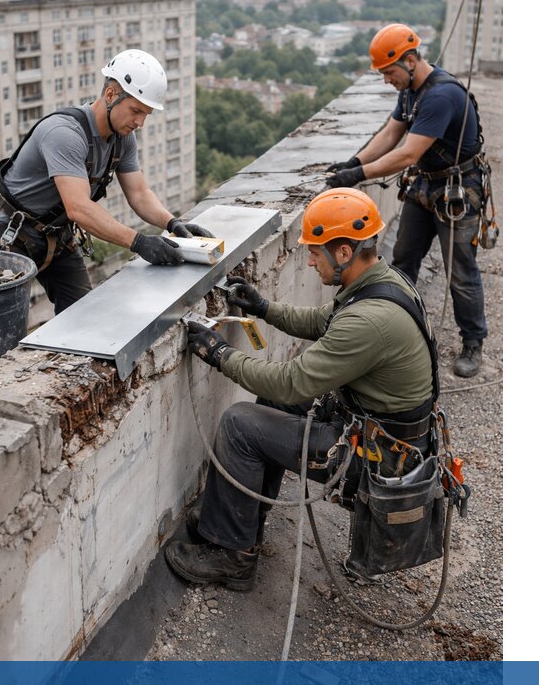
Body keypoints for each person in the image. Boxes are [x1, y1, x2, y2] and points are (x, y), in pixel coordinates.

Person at [165, 188, 437, 591]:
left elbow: (292, 382)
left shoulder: (370, 320)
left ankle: (233, 557)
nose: (309, 260)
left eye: (315, 252)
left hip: (378, 462)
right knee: (272, 404)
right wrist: (264, 308)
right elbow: (321, 321)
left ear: (343, 252)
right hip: (381, 433)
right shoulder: (381, 280)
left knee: (241, 424)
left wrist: (219, 353)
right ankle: (241, 519)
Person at [0, 49, 211, 314]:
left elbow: (139, 194)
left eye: (146, 114)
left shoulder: (122, 139)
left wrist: (173, 223)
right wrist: (139, 242)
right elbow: (78, 208)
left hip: (54, 234)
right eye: (136, 111)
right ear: (110, 95)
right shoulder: (65, 134)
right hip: (8, 233)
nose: (139, 122)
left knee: (83, 314)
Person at [324, 23, 488, 378]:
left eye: (389, 72)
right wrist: (356, 162)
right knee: (403, 259)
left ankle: (473, 342)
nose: (387, 80)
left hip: (456, 190)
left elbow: (408, 153)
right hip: (426, 187)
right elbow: (391, 133)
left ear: (410, 60)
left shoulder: (440, 96)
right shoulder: (411, 90)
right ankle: (399, 330)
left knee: (460, 271)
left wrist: (359, 175)